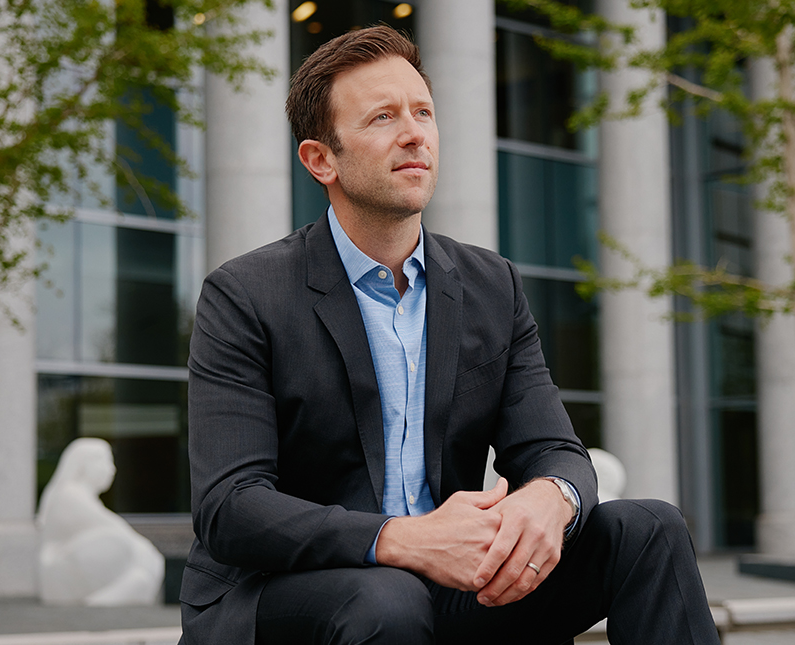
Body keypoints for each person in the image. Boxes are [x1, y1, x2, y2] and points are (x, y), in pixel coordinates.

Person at [179, 25, 720, 645]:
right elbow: (231, 507)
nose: (415, 133)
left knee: (650, 528)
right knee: (388, 597)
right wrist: (403, 540)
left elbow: (554, 448)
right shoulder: (245, 294)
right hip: (286, 593)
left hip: (455, 583)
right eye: (383, 117)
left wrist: (551, 498)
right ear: (320, 159)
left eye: (423, 112)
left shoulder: (492, 285)